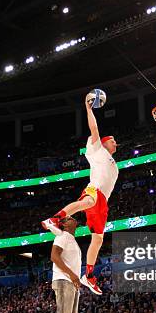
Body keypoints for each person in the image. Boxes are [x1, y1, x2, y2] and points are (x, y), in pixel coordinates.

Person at [41, 97, 118, 295]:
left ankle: (89, 275)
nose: (115, 143)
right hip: (94, 190)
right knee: (88, 201)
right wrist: (87, 107)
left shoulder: (112, 162)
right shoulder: (96, 149)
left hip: (104, 202)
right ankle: (55, 218)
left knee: (98, 239)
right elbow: (94, 128)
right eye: (112, 140)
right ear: (103, 143)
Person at [46, 216, 82, 313]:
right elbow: (54, 256)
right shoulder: (62, 236)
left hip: (72, 283)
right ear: (64, 225)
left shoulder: (71, 239)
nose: (71, 217)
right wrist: (72, 274)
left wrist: (75, 278)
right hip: (63, 280)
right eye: (68, 218)